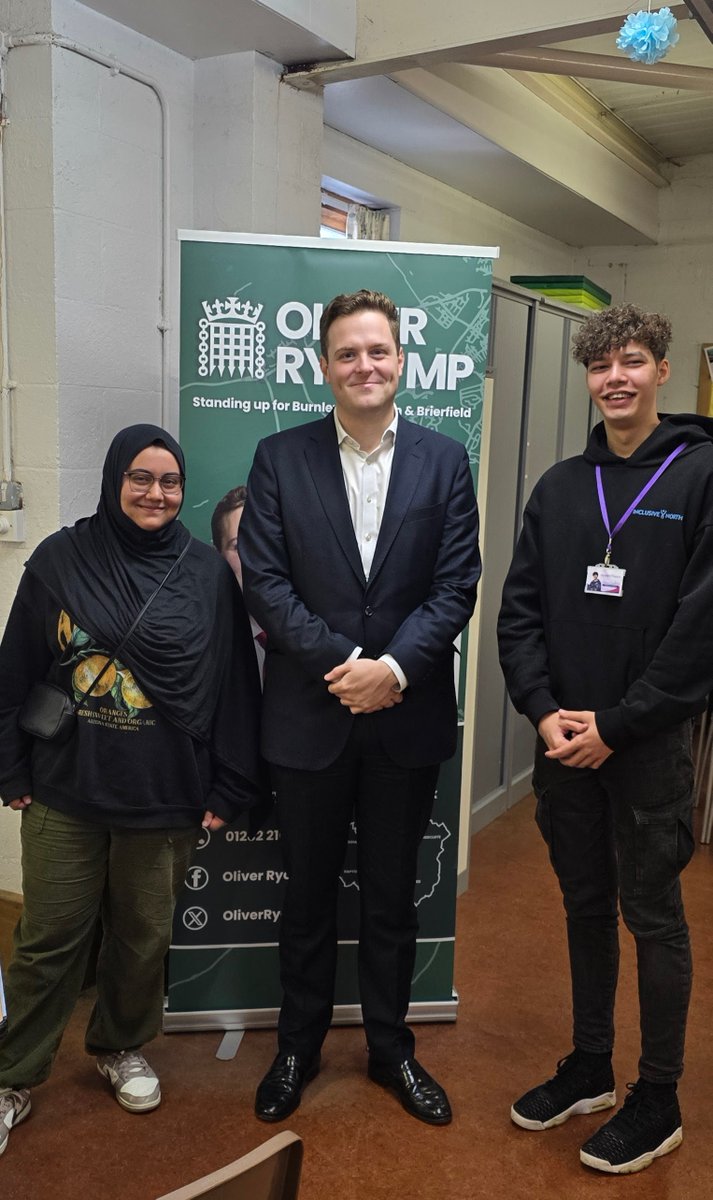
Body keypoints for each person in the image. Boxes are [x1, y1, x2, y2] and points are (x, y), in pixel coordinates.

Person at [239, 289, 481, 1126]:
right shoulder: (279, 457)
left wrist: (396, 671)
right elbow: (265, 582)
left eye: (377, 351)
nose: (363, 366)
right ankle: (296, 1048)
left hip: (404, 719)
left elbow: (457, 585)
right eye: (347, 353)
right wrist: (348, 664)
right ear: (324, 367)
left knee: (388, 897)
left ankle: (390, 1051)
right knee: (304, 896)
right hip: (309, 717)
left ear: (400, 361)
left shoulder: (444, 460)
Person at [0, 424, 262, 1157]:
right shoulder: (60, 560)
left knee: (144, 939)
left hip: (166, 793)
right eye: (140, 479)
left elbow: (235, 690)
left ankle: (119, 1045)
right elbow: (14, 671)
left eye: (169, 481)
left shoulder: (207, 574)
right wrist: (9, 771)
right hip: (63, 791)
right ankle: (11, 1076)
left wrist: (228, 786)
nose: (156, 493)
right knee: (47, 939)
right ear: (115, 481)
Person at [497, 304, 713, 1174]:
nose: (614, 378)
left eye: (631, 360)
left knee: (651, 915)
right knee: (582, 905)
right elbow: (519, 615)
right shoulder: (557, 488)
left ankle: (655, 1096)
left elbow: (700, 630)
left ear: (661, 369)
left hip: (648, 743)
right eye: (599, 366)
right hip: (563, 746)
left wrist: (617, 726)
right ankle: (589, 1065)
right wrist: (543, 711)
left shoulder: (701, 475)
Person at [211, 485, 266, 676]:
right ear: (219, 558)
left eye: (264, 541)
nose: (254, 557)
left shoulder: (314, 627)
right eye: (238, 546)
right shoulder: (212, 641)